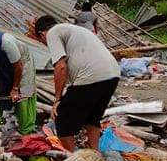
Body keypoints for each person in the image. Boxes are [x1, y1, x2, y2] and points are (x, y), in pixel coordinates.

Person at [32, 15, 120, 151]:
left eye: (42, 41)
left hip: (92, 75)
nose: (45, 44)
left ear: (42, 34)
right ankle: (95, 152)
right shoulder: (74, 30)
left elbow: (60, 67)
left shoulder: (53, 33)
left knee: (61, 119)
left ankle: (71, 158)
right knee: (92, 117)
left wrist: (57, 99)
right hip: (112, 74)